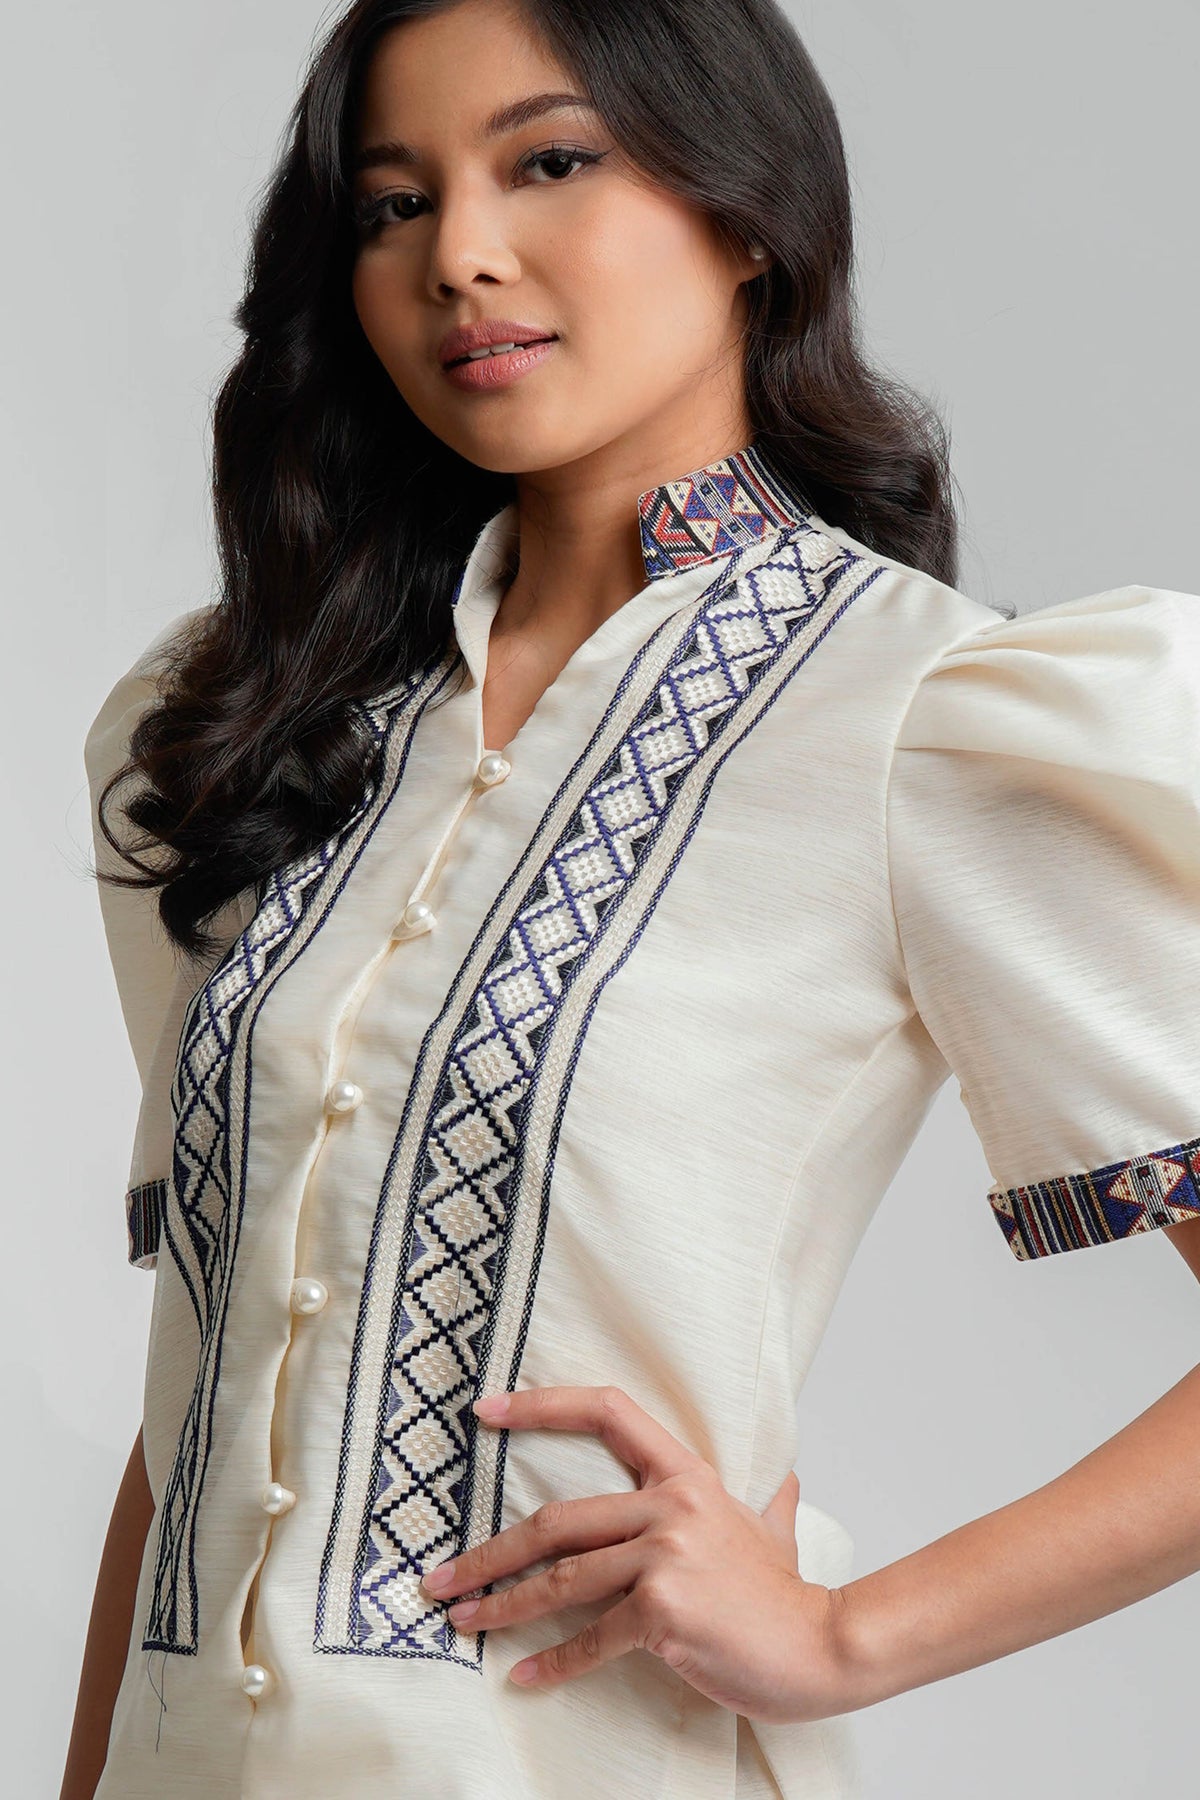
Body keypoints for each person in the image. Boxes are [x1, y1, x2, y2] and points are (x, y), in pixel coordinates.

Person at [61, 1, 1200, 1796]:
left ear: (748, 214)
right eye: (393, 204)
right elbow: (208, 1379)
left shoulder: (924, 716)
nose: (461, 254)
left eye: (550, 162)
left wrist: (843, 1634)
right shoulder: (252, 725)